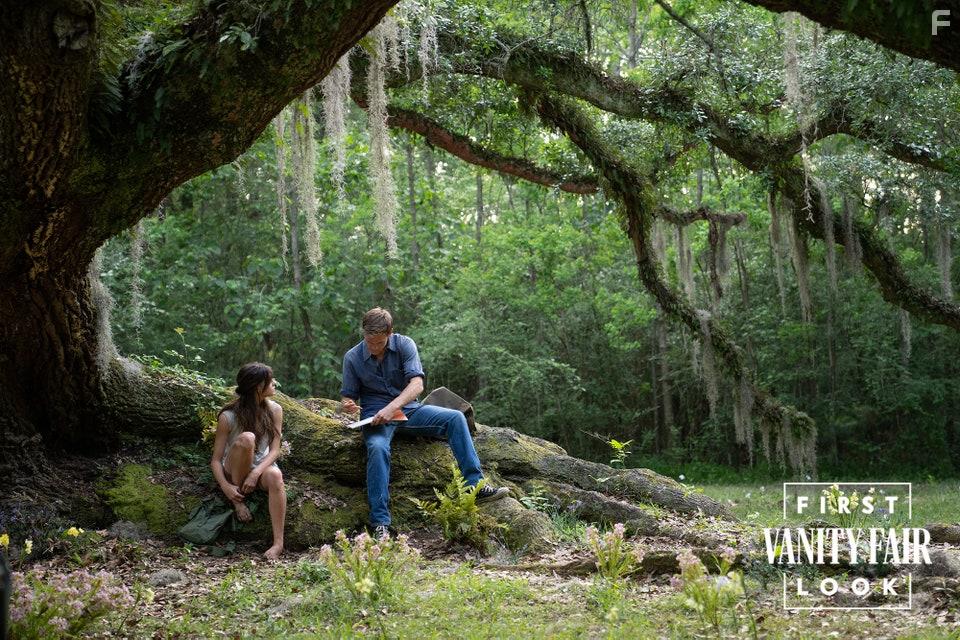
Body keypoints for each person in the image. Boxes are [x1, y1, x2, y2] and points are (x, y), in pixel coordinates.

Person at [341, 307, 509, 538]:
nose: (374, 347)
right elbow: (348, 395)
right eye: (369, 342)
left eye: (379, 343)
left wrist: (393, 407)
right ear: (363, 333)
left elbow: (417, 385)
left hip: (410, 410)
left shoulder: (404, 345)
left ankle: (475, 485)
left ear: (390, 334)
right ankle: (380, 523)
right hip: (376, 417)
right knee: (377, 448)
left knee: (456, 418)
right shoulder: (352, 357)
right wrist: (348, 403)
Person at [210, 362, 286, 560]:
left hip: (260, 466)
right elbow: (216, 460)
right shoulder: (228, 416)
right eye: (271, 381)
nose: (275, 383)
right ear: (258, 387)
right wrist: (226, 486)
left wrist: (256, 472)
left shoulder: (276, 410)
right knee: (247, 438)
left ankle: (278, 543)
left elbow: (275, 449)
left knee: (276, 475)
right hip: (234, 467)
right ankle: (237, 502)